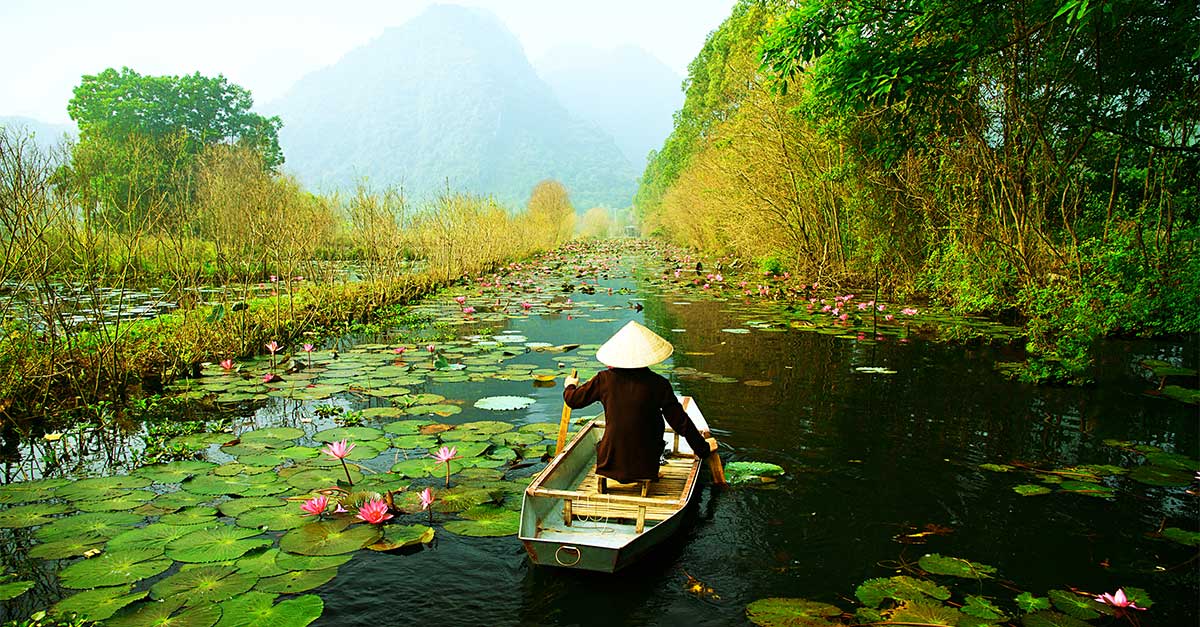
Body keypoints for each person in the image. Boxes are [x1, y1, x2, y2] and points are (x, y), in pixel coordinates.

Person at [563, 321, 718, 484]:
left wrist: (570, 385)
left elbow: (573, 400)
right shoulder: (659, 384)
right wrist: (703, 449)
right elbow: (680, 422)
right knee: (655, 424)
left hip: (609, 462)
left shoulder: (604, 380)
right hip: (646, 465)